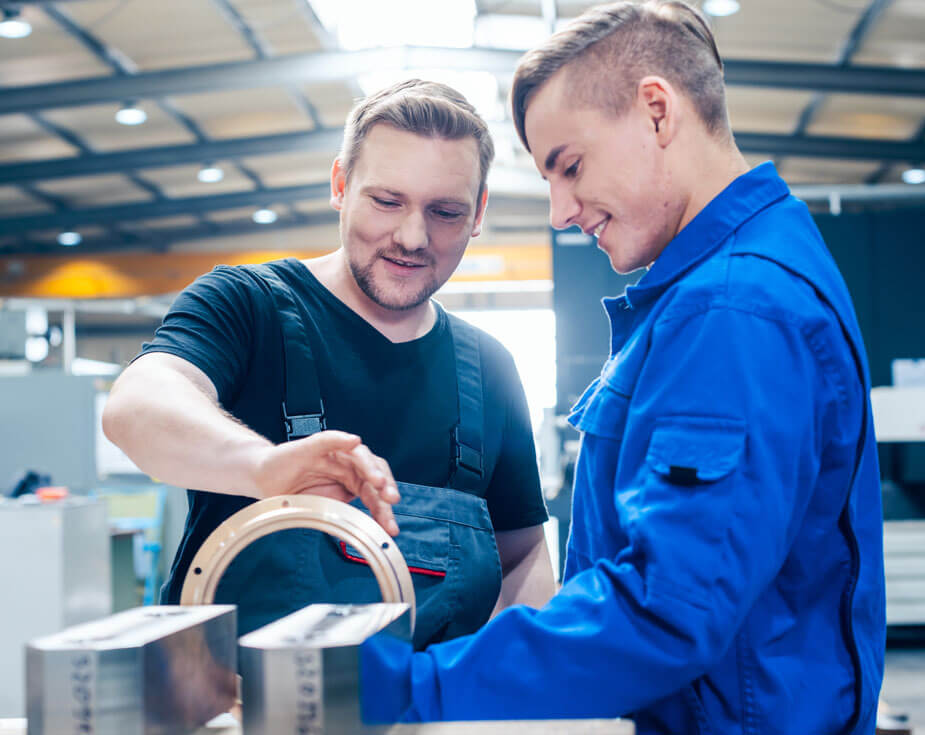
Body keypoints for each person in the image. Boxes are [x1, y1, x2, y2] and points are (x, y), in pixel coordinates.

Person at [359, 3, 885, 733]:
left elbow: (665, 608)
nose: (559, 211)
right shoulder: (740, 277)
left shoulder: (732, 309)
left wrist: (410, 684)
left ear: (657, 112)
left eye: (570, 167)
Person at [102, 79, 555, 647]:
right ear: (341, 184)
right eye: (386, 201)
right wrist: (264, 468)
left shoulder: (490, 368)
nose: (412, 237)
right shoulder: (246, 304)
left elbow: (523, 555)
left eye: (444, 211)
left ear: (479, 211)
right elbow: (136, 406)